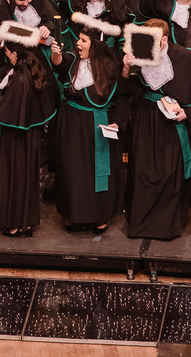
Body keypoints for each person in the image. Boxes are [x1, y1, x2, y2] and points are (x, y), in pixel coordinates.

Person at [124, 19, 191, 239]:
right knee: (141, 170)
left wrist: (187, 113)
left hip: (172, 124)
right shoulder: (139, 52)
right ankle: (139, 225)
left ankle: (166, 227)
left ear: (164, 39)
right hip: (145, 119)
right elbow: (127, 89)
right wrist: (126, 67)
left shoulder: (184, 57)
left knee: (169, 173)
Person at [0, 23, 57, 237]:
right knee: (26, 180)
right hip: (29, 138)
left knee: (14, 179)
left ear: (15, 54)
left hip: (16, 140)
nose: (8, 57)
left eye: (9, 53)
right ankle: (25, 221)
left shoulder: (21, 78)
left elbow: (4, 110)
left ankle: (15, 222)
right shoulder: (32, 69)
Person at [52, 20, 125, 233]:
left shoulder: (111, 67)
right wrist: (56, 53)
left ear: (96, 44)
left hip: (97, 126)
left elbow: (121, 98)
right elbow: (59, 63)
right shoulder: (74, 60)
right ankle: (72, 215)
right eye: (79, 39)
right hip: (70, 126)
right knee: (71, 170)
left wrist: (118, 122)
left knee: (95, 173)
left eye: (83, 40)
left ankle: (99, 215)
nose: (77, 43)